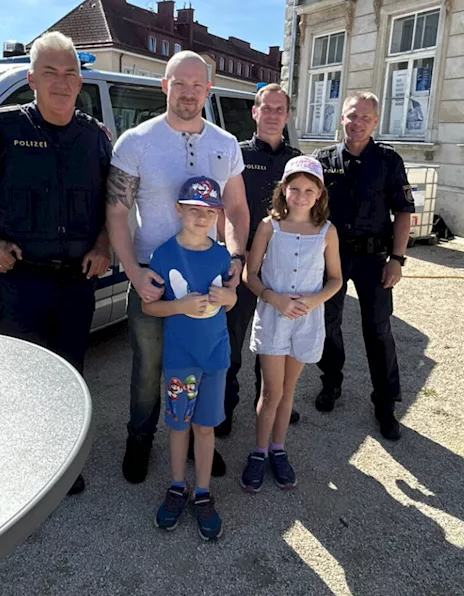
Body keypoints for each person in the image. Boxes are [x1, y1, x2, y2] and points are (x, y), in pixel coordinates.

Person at [0, 31, 112, 494]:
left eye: (70, 73)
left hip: (77, 281)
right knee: (23, 376)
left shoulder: (94, 138)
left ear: (81, 80)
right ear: (32, 79)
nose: (62, 82)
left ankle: (65, 461)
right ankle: (26, 463)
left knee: (71, 374)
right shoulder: (5, 129)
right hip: (22, 281)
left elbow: (112, 201)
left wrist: (104, 246)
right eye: (51, 73)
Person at [106, 50, 249, 485]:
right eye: (179, 83)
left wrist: (238, 259)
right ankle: (141, 438)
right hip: (152, 273)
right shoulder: (136, 141)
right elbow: (116, 211)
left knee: (203, 364)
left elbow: (239, 209)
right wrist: (132, 271)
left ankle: (194, 441)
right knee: (150, 367)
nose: (188, 92)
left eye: (197, 85)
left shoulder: (225, 145)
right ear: (164, 86)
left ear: (208, 89)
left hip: (209, 276)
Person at [313, 92, 415, 441]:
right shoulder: (322, 161)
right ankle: (331, 382)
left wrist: (397, 260)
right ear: (341, 117)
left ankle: (385, 402)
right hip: (331, 257)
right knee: (328, 322)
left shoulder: (388, 160)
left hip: (374, 259)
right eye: (351, 116)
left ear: (375, 122)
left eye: (365, 118)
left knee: (378, 329)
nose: (357, 123)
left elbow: (403, 212)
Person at [142, 176, 237, 540]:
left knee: (205, 426)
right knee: (179, 425)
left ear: (217, 214)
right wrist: (179, 305)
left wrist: (228, 298)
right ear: (178, 210)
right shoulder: (163, 255)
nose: (201, 217)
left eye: (209, 211)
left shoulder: (221, 255)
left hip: (215, 358)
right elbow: (150, 309)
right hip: (181, 359)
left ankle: (202, 492)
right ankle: (176, 486)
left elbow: (231, 296)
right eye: (193, 210)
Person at [240, 156, 343, 492]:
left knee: (287, 392)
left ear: (319, 195)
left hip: (306, 321)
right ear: (283, 190)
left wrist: (312, 302)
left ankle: (278, 448)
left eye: (308, 190)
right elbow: (250, 274)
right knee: (270, 391)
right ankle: (258, 451)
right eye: (294, 188)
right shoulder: (269, 226)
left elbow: (335, 279)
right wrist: (274, 298)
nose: (301, 195)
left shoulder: (327, 232)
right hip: (274, 317)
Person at [220, 83, 303, 437]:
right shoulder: (236, 155)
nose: (271, 115)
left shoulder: (297, 161)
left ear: (287, 115)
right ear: (254, 113)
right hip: (244, 260)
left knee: (275, 340)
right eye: (265, 108)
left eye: (278, 109)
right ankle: (224, 408)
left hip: (283, 266)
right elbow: (225, 208)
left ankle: (270, 402)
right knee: (233, 339)